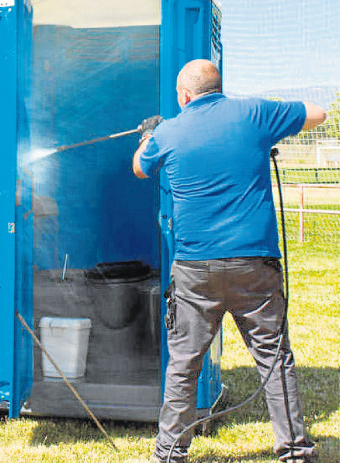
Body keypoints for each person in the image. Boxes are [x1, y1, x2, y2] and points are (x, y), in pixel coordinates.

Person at [132, 59, 326, 463]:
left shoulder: (168, 132)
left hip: (195, 269)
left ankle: (170, 453)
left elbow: (139, 168)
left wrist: (148, 135)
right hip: (254, 266)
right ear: (217, 87)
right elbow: (318, 114)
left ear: (184, 96)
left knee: (184, 364)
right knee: (274, 359)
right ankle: (294, 452)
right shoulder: (255, 113)